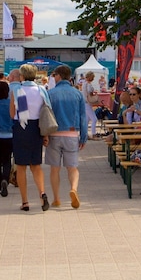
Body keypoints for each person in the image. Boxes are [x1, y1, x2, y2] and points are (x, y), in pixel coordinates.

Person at [46, 65, 87, 209]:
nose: (53, 78)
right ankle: (73, 189)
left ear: (58, 76)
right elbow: (83, 117)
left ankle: (56, 198)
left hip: (54, 134)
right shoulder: (77, 94)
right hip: (72, 133)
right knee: (72, 167)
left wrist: (44, 135)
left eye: (54, 75)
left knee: (54, 169)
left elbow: (45, 116)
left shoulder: (50, 94)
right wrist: (83, 137)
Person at [9, 63, 49, 211]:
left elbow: (12, 114)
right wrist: (46, 134)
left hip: (21, 127)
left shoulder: (16, 90)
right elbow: (46, 111)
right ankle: (42, 193)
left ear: (22, 76)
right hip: (37, 128)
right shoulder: (41, 90)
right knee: (36, 166)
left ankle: (25, 202)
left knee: (21, 167)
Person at [82, 71, 99, 137]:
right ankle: (93, 133)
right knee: (94, 119)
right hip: (88, 102)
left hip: (85, 102)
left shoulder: (84, 83)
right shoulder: (88, 84)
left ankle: (85, 134)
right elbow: (90, 92)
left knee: (87, 120)